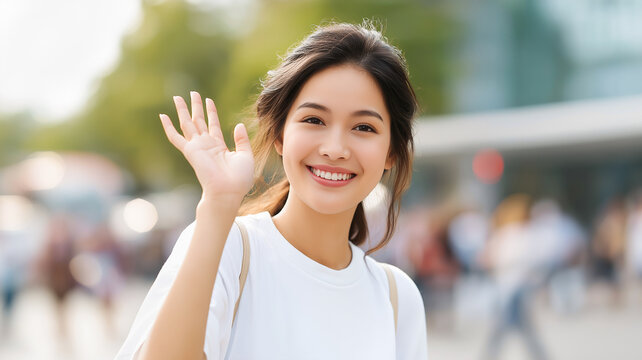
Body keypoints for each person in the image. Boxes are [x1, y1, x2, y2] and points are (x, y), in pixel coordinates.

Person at [116, 22, 428, 360]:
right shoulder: (226, 248)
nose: (335, 148)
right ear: (279, 134)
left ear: (392, 152)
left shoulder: (397, 298)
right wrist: (218, 206)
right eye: (314, 120)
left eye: (363, 127)